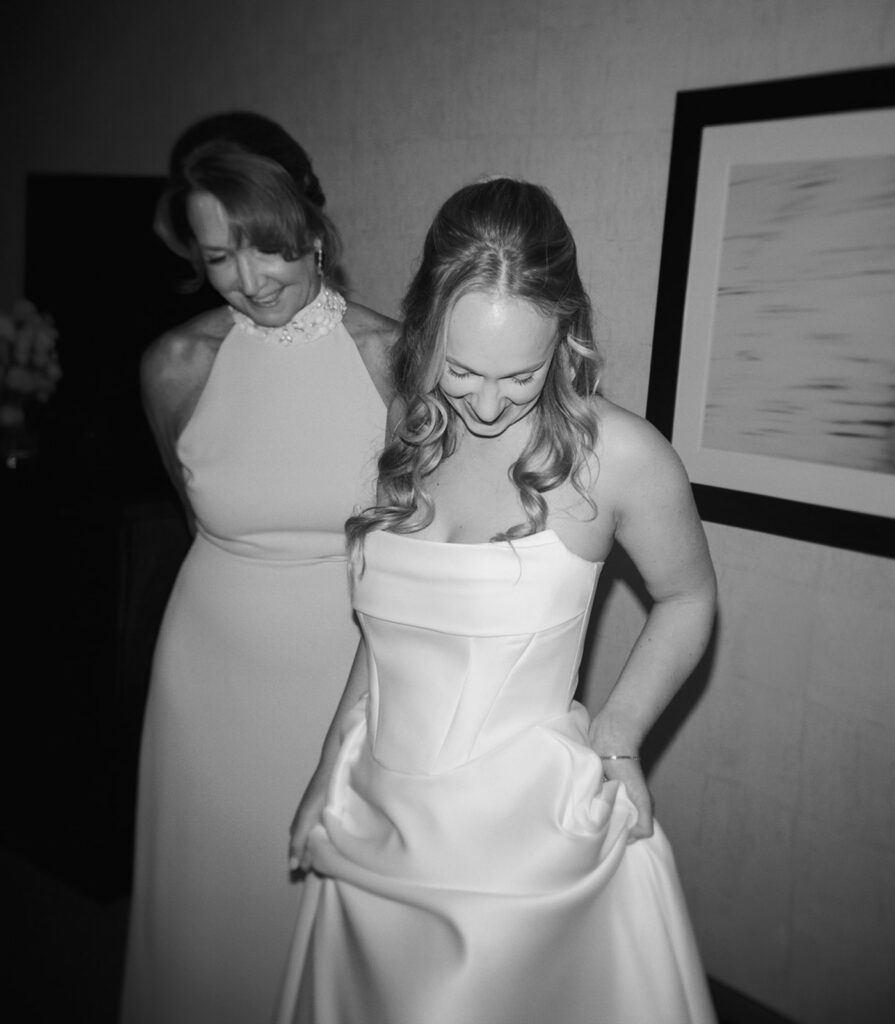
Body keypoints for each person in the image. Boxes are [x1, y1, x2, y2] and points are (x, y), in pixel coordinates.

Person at [278, 177, 718, 1024]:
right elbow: (385, 638)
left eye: (521, 373)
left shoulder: (618, 456)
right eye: (460, 368)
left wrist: (619, 738)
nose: (483, 405)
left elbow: (688, 598)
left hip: (522, 850)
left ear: (567, 333)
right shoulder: (413, 428)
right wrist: (323, 775)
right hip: (375, 816)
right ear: (423, 331)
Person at [120, 113, 396, 1024]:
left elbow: (423, 536)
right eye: (218, 259)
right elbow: (196, 503)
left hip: (347, 668)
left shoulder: (391, 358)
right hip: (208, 673)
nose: (250, 281)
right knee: (205, 911)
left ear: (310, 223)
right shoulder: (175, 364)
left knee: (332, 905)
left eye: (267, 248)